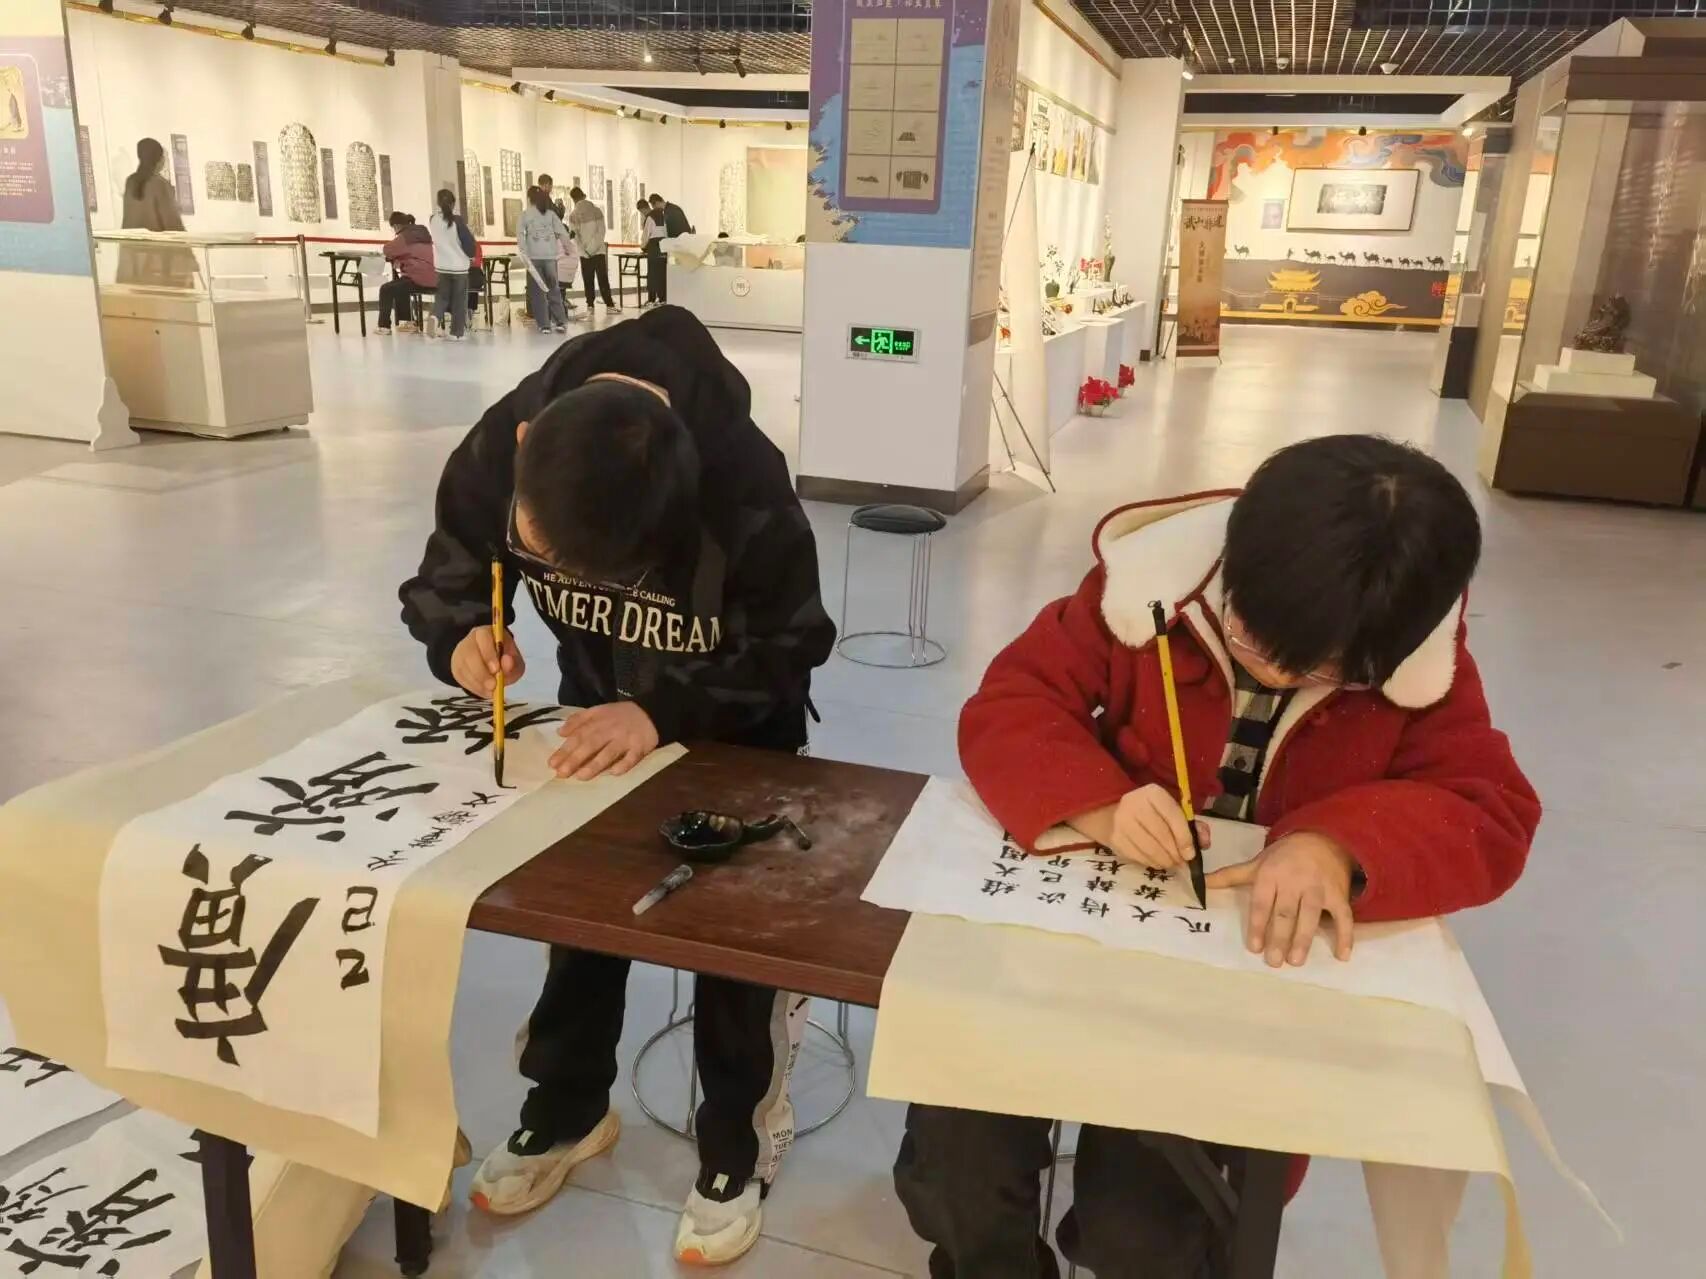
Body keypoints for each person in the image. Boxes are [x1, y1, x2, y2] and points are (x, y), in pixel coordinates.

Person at [895, 435, 1541, 1279]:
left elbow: (1489, 810)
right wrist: (1097, 800)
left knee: (1145, 1227)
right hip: (1078, 942)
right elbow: (1013, 700)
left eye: (1310, 667)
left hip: (1226, 1003)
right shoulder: (1148, 590)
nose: (1263, 662)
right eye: (1246, 629)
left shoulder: (1417, 663)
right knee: (956, 1158)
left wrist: (1335, 845)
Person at [398, 306, 836, 1266]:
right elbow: (452, 566)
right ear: (525, 445)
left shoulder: (741, 479)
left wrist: (665, 708)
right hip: (594, 715)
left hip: (734, 738)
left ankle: (735, 1149)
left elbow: (794, 642)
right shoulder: (508, 439)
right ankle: (566, 1107)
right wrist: (462, 635)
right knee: (580, 921)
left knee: (732, 949)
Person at [518, 185, 574, 334]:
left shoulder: (525, 215)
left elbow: (520, 236)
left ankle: (544, 325)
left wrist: (524, 252)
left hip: (534, 259)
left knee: (538, 293)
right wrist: (568, 248)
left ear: (529, 199)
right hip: (550, 258)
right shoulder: (550, 215)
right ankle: (560, 322)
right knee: (554, 290)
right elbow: (562, 233)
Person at [427, 188, 475, 340]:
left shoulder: (433, 220)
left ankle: (435, 316)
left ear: (438, 202)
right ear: (453, 204)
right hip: (459, 267)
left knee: (442, 297)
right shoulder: (457, 221)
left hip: (442, 267)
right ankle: (456, 333)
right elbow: (468, 243)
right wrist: (471, 255)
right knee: (459, 301)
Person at [377, 212, 435, 334]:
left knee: (385, 289)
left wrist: (397, 258)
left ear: (396, 226)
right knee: (400, 285)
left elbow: (387, 249)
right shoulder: (423, 234)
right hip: (434, 279)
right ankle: (406, 322)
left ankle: (384, 327)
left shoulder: (405, 236)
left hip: (418, 279)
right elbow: (413, 253)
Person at [567, 185, 617, 312]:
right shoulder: (597, 211)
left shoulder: (573, 215)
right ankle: (609, 305)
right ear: (584, 196)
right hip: (598, 251)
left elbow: (575, 236)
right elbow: (601, 232)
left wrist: (585, 251)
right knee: (603, 278)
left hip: (584, 254)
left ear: (573, 199)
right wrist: (592, 248)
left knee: (588, 279)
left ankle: (590, 305)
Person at [121, 137, 184, 233]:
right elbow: (173, 224)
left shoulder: (130, 182)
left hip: (130, 241)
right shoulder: (160, 184)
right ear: (159, 160)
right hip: (154, 242)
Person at [647, 193, 693, 306]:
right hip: (681, 244)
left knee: (677, 275)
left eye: (653, 207)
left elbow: (672, 233)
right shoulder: (672, 208)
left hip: (680, 246)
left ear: (656, 203)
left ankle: (675, 300)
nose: (655, 210)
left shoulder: (669, 212)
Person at [639, 199, 666, 307]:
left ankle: (651, 299)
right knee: (662, 274)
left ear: (643, 208)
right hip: (664, 246)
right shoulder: (663, 215)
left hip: (654, 247)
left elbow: (646, 235)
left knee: (652, 275)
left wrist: (643, 247)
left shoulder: (650, 217)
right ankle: (663, 299)